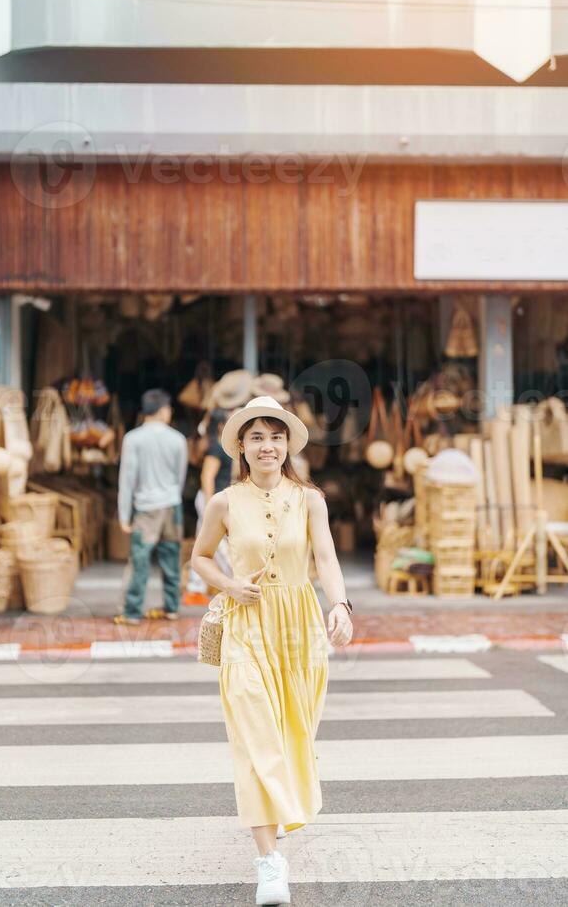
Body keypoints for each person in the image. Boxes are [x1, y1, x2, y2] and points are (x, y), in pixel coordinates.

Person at [191, 395, 353, 906]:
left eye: (276, 436)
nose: (268, 446)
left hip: (299, 626)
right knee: (254, 735)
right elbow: (199, 558)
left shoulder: (310, 500)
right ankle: (269, 864)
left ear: (288, 445)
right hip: (246, 626)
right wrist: (230, 586)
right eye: (257, 437)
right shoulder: (224, 502)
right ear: (241, 444)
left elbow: (324, 555)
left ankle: (277, 806)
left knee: (291, 731)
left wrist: (341, 605)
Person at [114, 388, 188, 625]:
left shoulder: (133, 438)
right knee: (171, 556)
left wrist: (124, 515)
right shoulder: (178, 439)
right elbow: (180, 476)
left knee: (140, 560)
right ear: (163, 410)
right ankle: (172, 607)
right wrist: (172, 494)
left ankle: (133, 611)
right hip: (171, 506)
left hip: (145, 509)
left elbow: (127, 480)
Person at [186, 408, 233, 597]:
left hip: (212, 499)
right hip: (211, 499)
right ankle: (237, 577)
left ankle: (195, 587)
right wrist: (209, 504)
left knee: (202, 541)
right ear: (221, 425)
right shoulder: (217, 447)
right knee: (219, 542)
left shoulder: (217, 445)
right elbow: (207, 477)